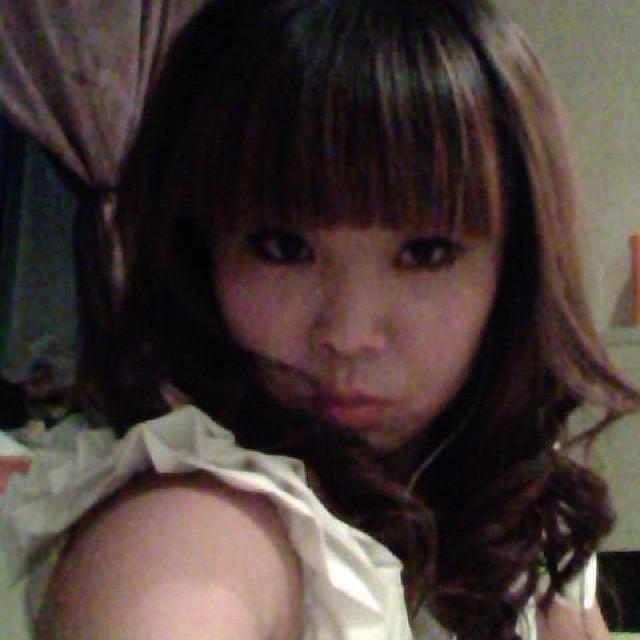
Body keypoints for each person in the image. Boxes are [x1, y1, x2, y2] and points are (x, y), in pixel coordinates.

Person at [1, 1, 638, 638]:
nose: (349, 335)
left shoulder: (520, 496)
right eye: (282, 247)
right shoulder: (199, 518)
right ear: (198, 251)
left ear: (514, 267)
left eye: (426, 253)